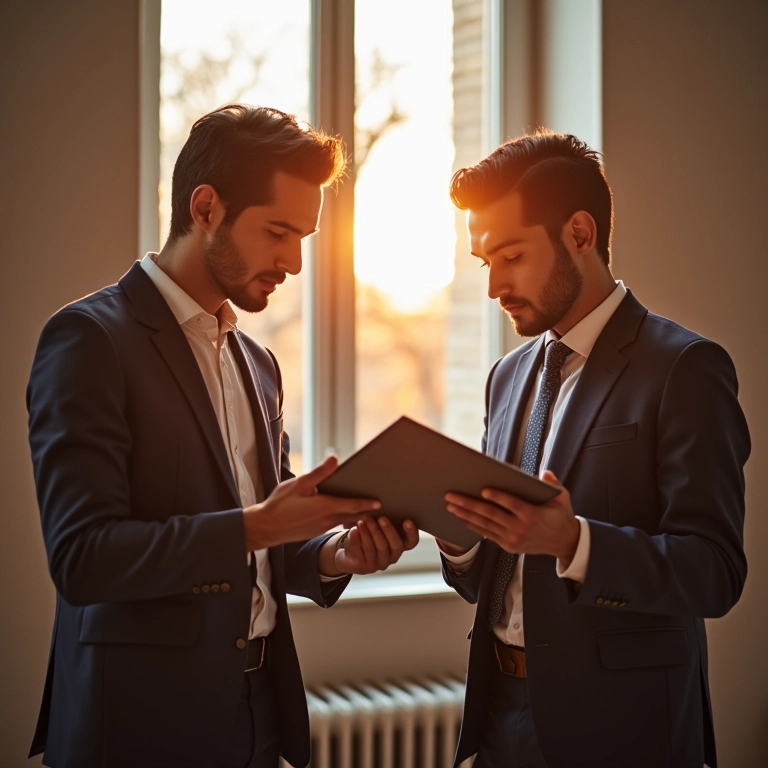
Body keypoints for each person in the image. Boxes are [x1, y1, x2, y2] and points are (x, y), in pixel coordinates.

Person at [26, 104, 418, 768]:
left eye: (304, 238)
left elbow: (267, 548)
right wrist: (259, 527)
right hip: (138, 725)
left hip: (259, 712)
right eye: (278, 232)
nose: (294, 261)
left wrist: (339, 555)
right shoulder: (90, 340)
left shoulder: (257, 365)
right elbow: (83, 558)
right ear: (204, 207)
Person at [438, 130, 749, 768]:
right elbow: (497, 577)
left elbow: (714, 572)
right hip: (500, 717)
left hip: (624, 728)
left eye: (511, 256)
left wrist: (572, 543)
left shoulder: (685, 368)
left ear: (580, 233)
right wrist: (458, 535)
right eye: (484, 262)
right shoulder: (507, 375)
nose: (494, 285)